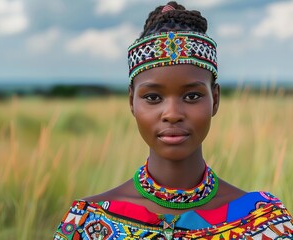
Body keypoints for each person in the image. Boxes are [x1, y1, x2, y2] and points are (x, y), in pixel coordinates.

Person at [53, 2, 293, 239]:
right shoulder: (87, 224)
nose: (172, 113)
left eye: (192, 96)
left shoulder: (265, 223)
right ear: (131, 103)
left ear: (215, 100)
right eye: (153, 97)